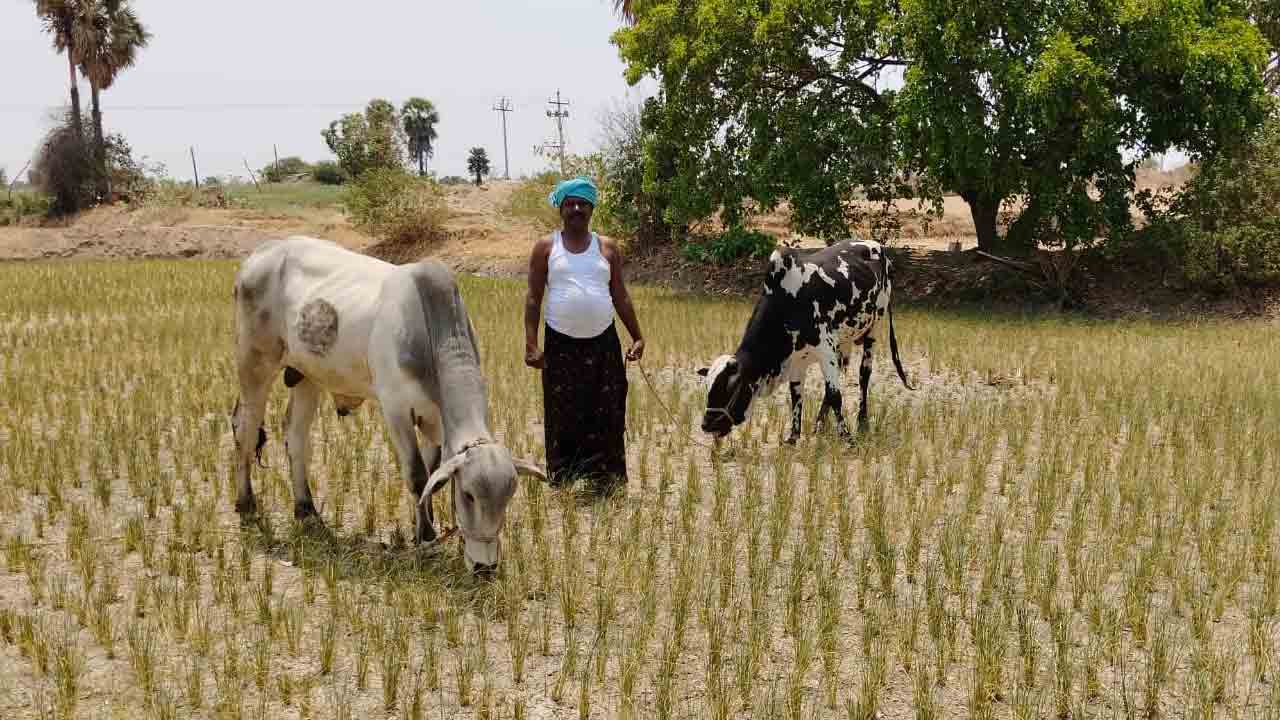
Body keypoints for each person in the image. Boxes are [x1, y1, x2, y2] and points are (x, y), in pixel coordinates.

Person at [524, 176, 644, 492]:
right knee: (563, 409)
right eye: (570, 204)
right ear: (561, 209)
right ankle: (564, 477)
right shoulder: (546, 247)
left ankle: (606, 477)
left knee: (608, 406)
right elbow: (534, 297)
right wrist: (531, 344)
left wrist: (637, 336)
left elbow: (620, 295)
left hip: (604, 341)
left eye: (582, 203)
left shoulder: (607, 248)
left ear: (591, 209)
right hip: (560, 342)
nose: (576, 208)